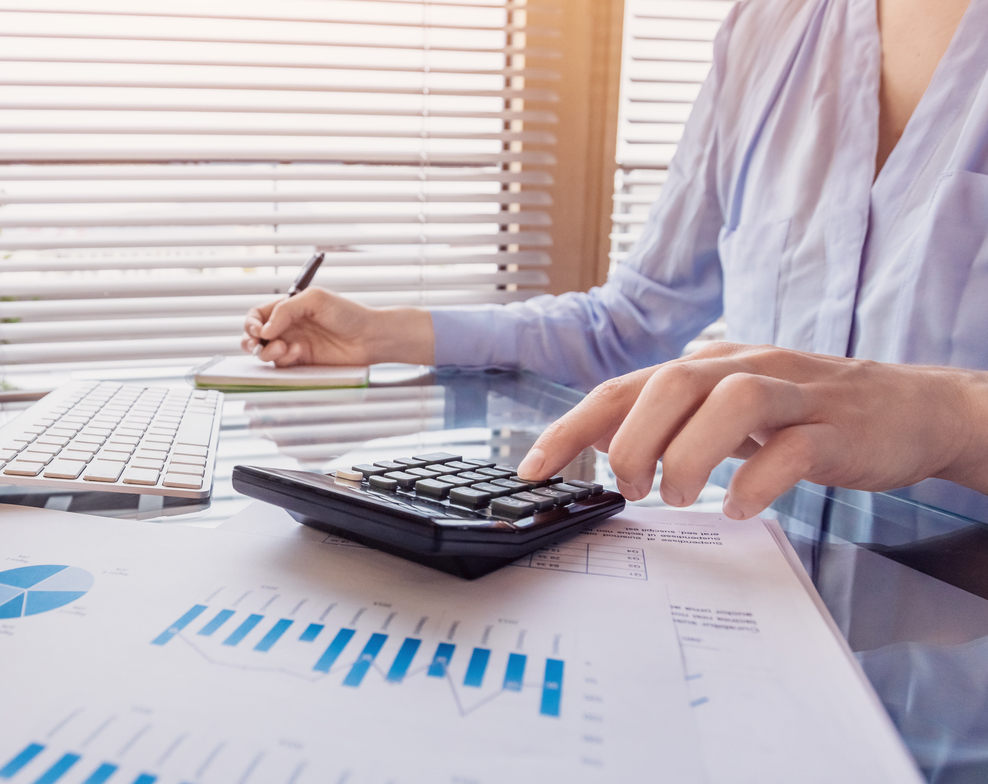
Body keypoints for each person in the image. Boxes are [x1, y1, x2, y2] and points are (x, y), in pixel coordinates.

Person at [242, 0, 988, 519]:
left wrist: (956, 419)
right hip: (746, 611)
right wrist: (383, 335)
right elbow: (628, 325)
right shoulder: (767, 29)